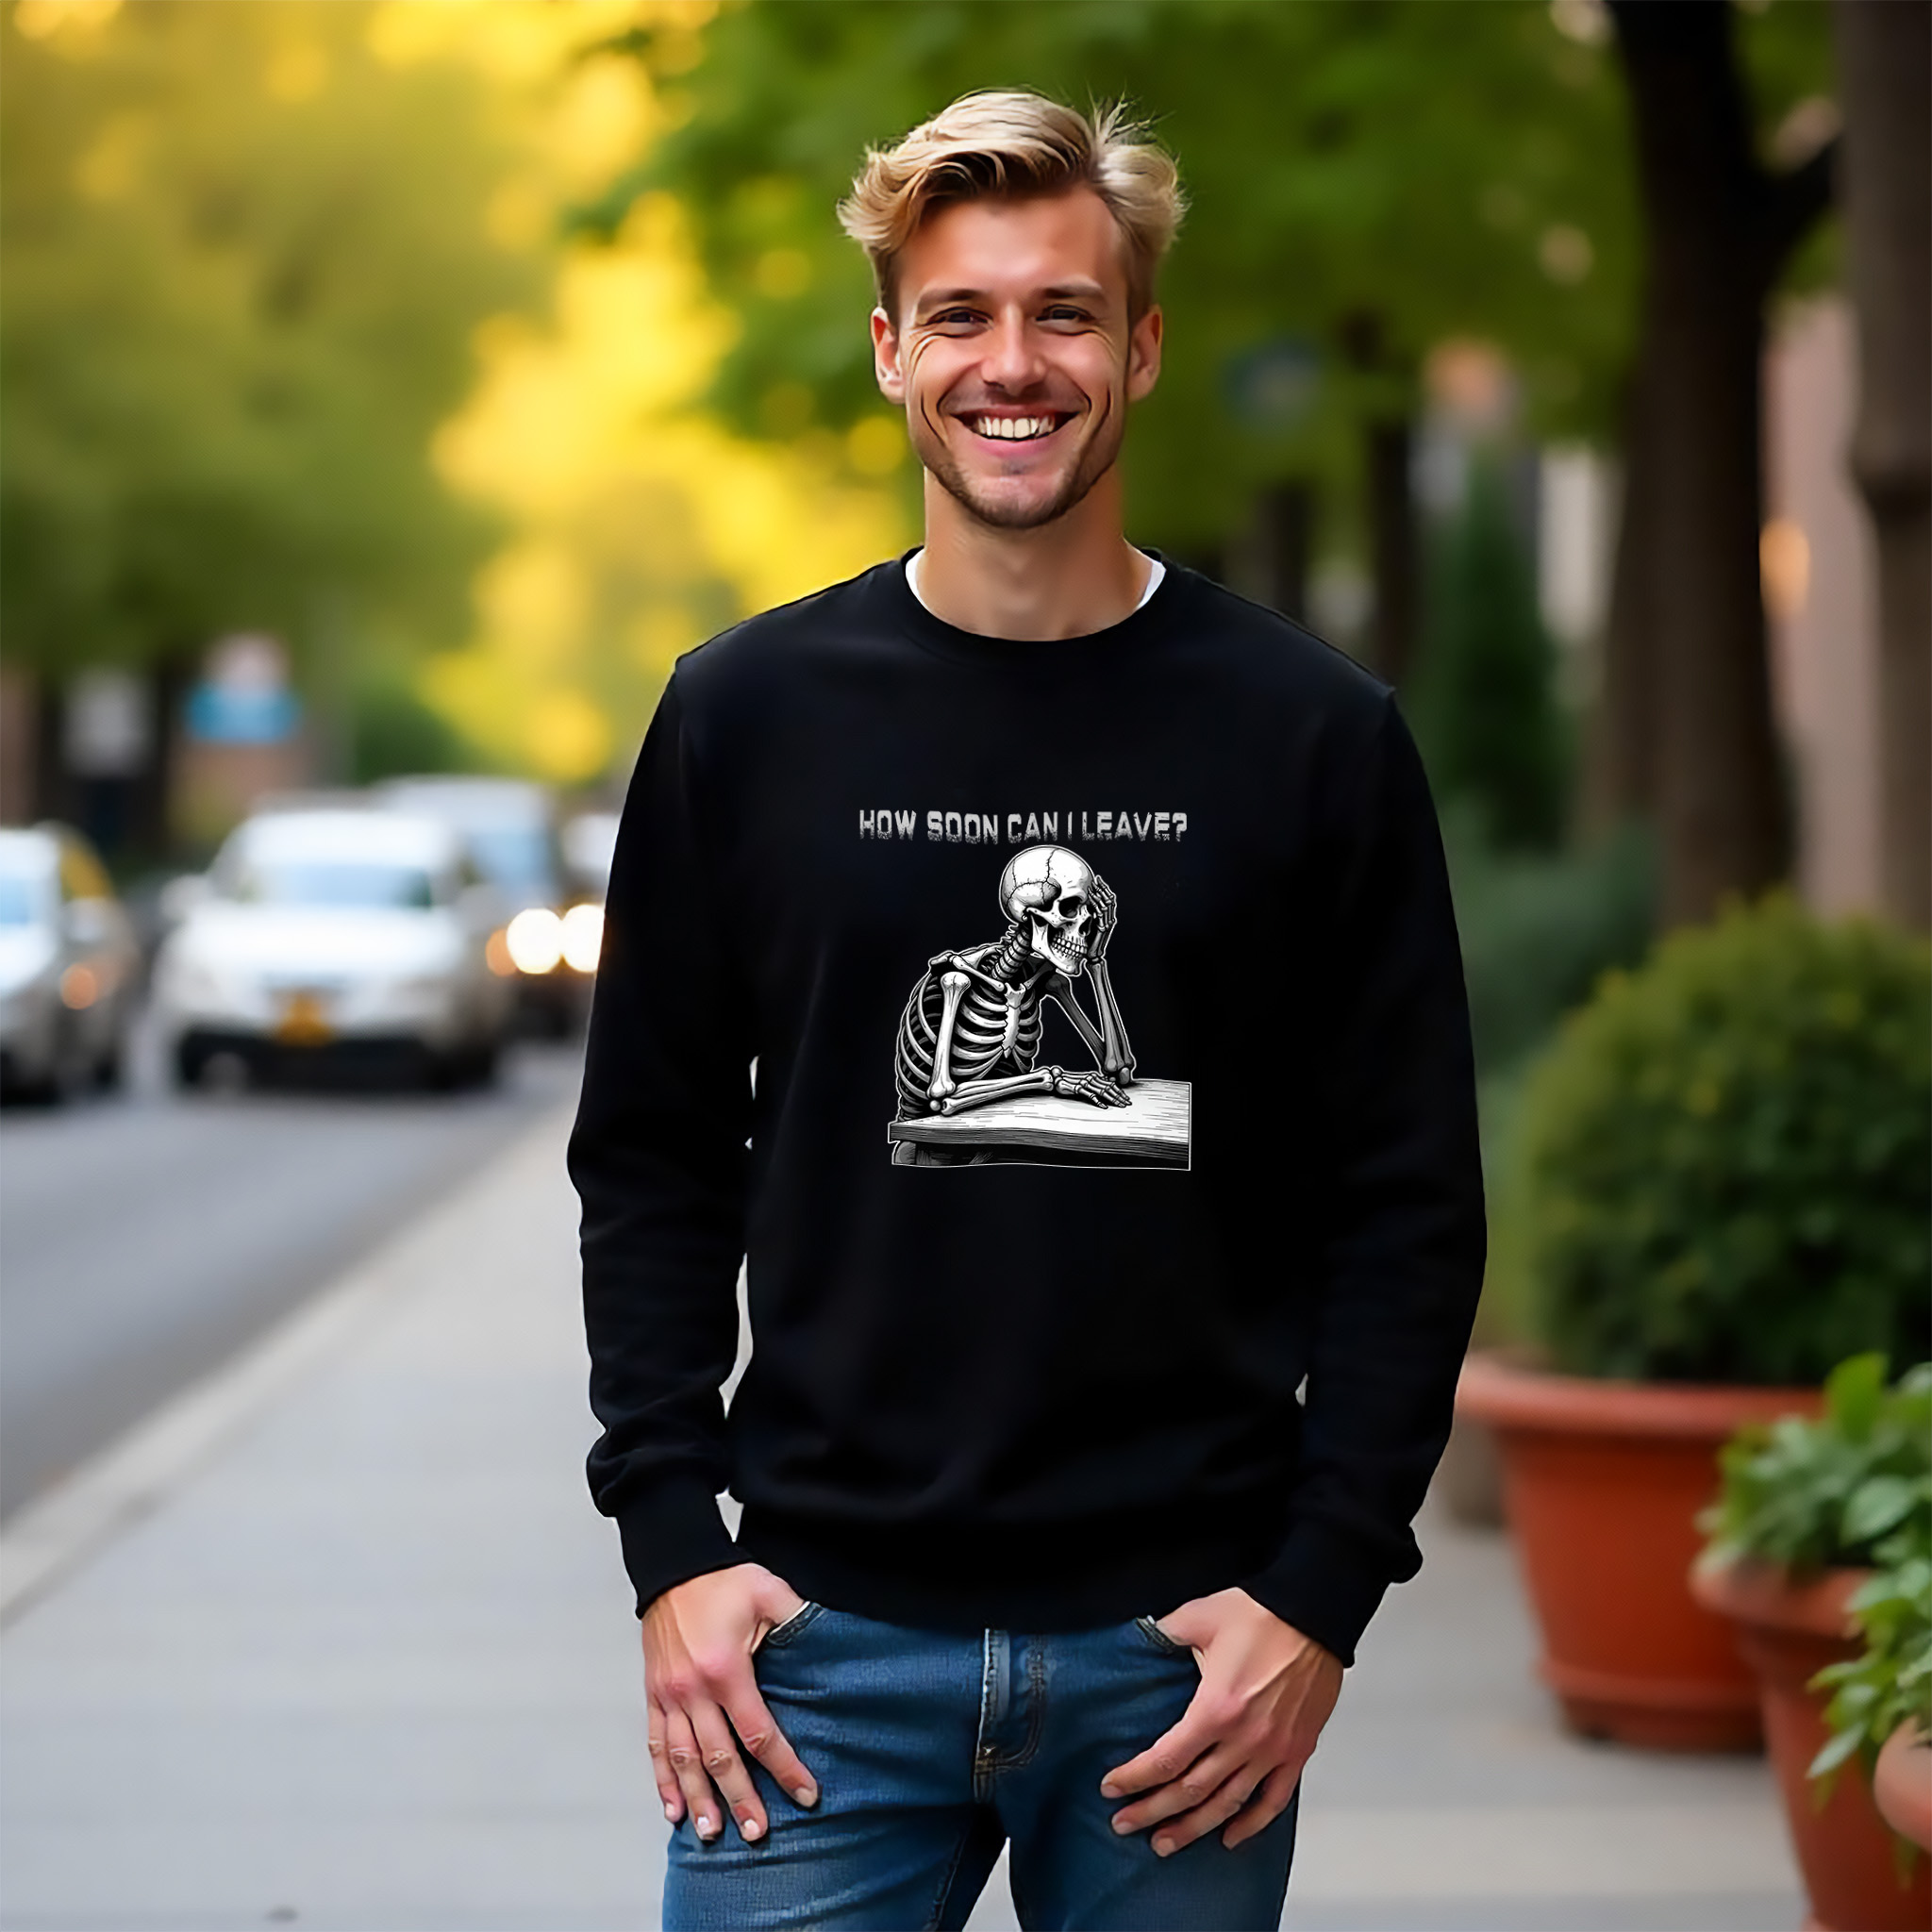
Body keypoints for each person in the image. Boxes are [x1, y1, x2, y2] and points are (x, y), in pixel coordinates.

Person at [571, 90, 1485, 1932]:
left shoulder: (1311, 738)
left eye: (1063, 312)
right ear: (891, 347)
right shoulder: (743, 719)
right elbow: (655, 1156)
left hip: (1179, 1670)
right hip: (816, 1661)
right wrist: (674, 1545)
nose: (1015, 362)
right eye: (965, 314)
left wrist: (1317, 1593)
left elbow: (1405, 1197)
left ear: (1137, 348)